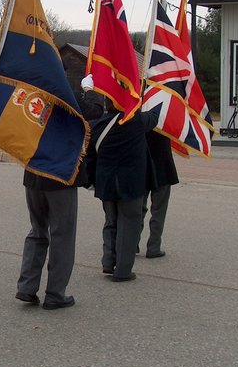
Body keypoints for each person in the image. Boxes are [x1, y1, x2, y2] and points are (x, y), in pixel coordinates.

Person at [15, 73, 104, 310]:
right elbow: (96, 110)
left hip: (34, 173)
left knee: (37, 231)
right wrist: (88, 90)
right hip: (59, 176)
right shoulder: (69, 96)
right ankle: (55, 293)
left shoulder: (31, 95)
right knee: (62, 235)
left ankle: (27, 287)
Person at [87, 98, 159, 282]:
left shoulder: (97, 124)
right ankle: (123, 271)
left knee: (111, 221)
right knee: (129, 224)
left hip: (106, 182)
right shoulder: (136, 121)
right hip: (129, 183)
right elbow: (154, 116)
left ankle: (108, 262)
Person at [138, 131, 179, 258]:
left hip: (142, 169)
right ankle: (154, 247)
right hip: (163, 169)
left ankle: (131, 244)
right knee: (159, 211)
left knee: (138, 210)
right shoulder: (164, 119)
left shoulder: (139, 118)